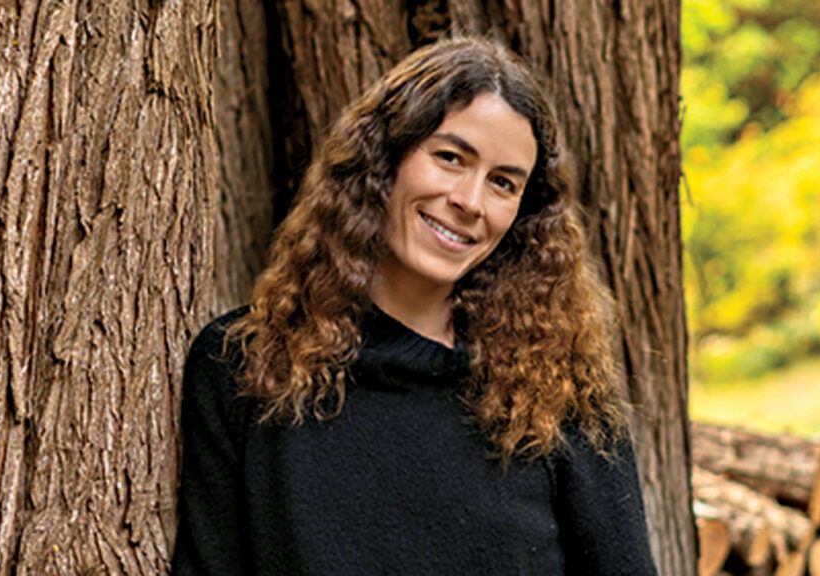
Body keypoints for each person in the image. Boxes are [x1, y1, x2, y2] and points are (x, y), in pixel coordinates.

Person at [171, 36, 657, 575]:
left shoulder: (556, 395)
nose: (470, 202)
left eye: (503, 183)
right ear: (384, 159)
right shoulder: (242, 367)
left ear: (523, 211)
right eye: (451, 158)